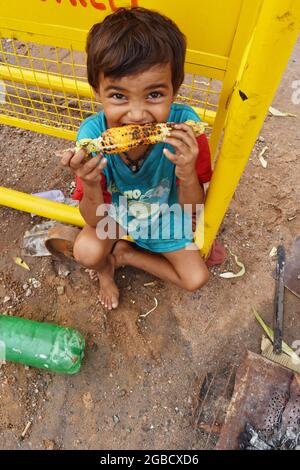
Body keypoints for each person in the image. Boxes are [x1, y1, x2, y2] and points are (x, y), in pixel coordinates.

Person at [61, 7, 217, 311]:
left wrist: (186, 170)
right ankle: (105, 271)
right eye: (119, 96)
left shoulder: (186, 130)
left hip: (165, 216)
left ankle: (125, 256)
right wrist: (91, 184)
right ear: (97, 91)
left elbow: (192, 209)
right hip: (116, 216)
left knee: (196, 278)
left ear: (175, 88)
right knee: (88, 252)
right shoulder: (92, 135)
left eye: (155, 94)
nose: (136, 114)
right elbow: (95, 219)